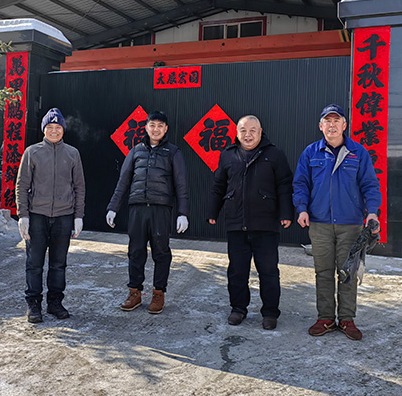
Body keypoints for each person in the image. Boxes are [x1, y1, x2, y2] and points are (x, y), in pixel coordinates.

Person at [293, 104, 382, 340]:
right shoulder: (311, 153)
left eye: (336, 121)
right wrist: (302, 209)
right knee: (323, 272)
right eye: (327, 121)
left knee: (348, 272)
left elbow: (370, 185)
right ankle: (325, 318)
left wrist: (372, 212)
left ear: (344, 125)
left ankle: (346, 319)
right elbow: (300, 184)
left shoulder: (358, 153)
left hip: (350, 224)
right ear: (320, 126)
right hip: (319, 223)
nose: (332, 125)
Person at [208, 115, 293, 331]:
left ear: (260, 132)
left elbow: (284, 185)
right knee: (237, 271)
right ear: (237, 133)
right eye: (243, 130)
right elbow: (219, 185)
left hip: (266, 224)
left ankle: (270, 312)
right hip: (236, 223)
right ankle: (238, 309)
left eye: (253, 130)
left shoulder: (274, 154)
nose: (248, 135)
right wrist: (212, 211)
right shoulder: (228, 155)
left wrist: (286, 213)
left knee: (268, 271)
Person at [106, 111, 189, 314]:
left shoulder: (173, 152)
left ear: (166, 129)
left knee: (161, 252)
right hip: (138, 208)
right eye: (152, 125)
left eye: (160, 126)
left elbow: (181, 184)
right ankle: (134, 293)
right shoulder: (136, 151)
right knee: (135, 251)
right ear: (146, 127)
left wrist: (183, 213)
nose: (156, 129)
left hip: (161, 209)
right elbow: (123, 182)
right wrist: (113, 207)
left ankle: (158, 294)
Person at [16, 108, 85, 324]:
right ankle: (33, 303)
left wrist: (78, 216)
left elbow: (79, 186)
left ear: (63, 129)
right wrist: (23, 215)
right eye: (50, 127)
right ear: (43, 129)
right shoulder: (32, 152)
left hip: (64, 216)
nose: (54, 131)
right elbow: (22, 185)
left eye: (58, 127)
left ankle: (55, 302)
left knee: (58, 264)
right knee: (34, 263)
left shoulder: (72, 154)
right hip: (37, 215)